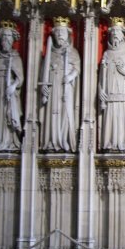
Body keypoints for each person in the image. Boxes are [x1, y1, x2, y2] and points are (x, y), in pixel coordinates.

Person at [39, 17, 81, 152]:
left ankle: (64, 139)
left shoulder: (73, 53)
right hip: (53, 89)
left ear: (67, 35)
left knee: (66, 113)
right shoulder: (49, 55)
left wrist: (71, 76)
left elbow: (77, 69)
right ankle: (51, 141)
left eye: (62, 33)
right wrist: (43, 87)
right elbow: (43, 75)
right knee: (52, 113)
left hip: (66, 88)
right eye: (57, 33)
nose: (59, 36)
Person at [99, 17, 125, 151]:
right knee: (110, 122)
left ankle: (124, 143)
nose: (115, 34)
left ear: (123, 35)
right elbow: (101, 79)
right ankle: (108, 144)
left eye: (117, 32)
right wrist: (100, 91)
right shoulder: (107, 54)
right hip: (109, 97)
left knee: (123, 121)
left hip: (123, 98)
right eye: (113, 32)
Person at [0, 20, 24, 151]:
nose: (6, 40)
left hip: (9, 90)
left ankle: (9, 140)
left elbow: (20, 78)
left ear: (13, 40)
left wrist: (13, 86)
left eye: (9, 37)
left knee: (8, 115)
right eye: (4, 37)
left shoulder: (16, 58)